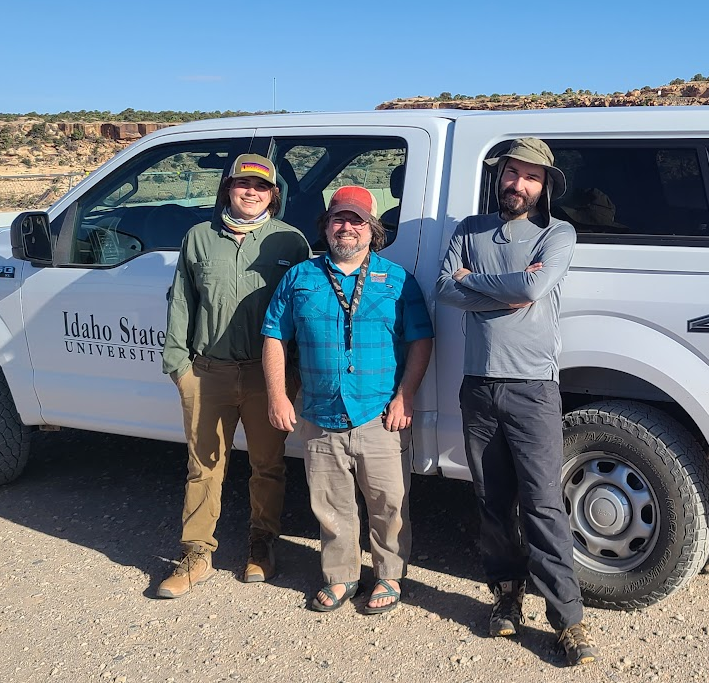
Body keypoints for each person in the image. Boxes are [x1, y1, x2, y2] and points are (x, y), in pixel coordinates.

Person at [435, 138, 598, 665]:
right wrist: (502, 287)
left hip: (533, 388)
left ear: (545, 185)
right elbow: (444, 289)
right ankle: (506, 596)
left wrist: (476, 283)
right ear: (499, 176)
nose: (518, 184)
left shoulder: (558, 233)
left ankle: (567, 619)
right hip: (478, 386)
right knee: (491, 500)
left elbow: (533, 289)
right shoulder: (468, 230)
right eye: (511, 173)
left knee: (544, 503)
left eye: (530, 176)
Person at [261, 186, 433, 614]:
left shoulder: (397, 280)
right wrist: (278, 396)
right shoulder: (300, 277)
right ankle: (342, 578)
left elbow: (421, 339)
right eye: (339, 219)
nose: (347, 227)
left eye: (357, 221)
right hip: (319, 411)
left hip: (378, 412)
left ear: (372, 231)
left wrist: (405, 397)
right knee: (330, 504)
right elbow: (274, 336)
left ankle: (389, 575)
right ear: (326, 226)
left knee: (389, 503)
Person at [158, 153, 311, 599]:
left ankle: (262, 546)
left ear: (273, 195)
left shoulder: (290, 242)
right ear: (228, 188)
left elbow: (302, 313)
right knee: (203, 466)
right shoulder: (200, 237)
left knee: (268, 466)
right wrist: (179, 365)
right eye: (242, 183)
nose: (250, 192)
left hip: (268, 377)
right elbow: (182, 301)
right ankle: (196, 555)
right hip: (207, 372)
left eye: (260, 187)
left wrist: (293, 376)